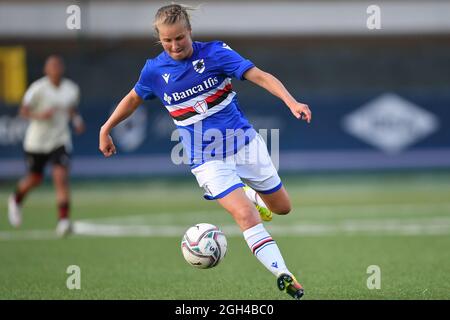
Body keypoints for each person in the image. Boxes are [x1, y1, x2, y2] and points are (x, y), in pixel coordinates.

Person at [99, 4, 311, 299]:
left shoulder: (215, 53)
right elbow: (133, 98)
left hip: (245, 145)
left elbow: (260, 75)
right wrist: (106, 127)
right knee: (246, 216)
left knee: (282, 207)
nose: (174, 45)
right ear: (159, 38)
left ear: (189, 32)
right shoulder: (154, 70)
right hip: (206, 160)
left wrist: (292, 102)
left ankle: (251, 193)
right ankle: (283, 273)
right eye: (167, 40)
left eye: (180, 38)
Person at [8, 55, 85, 237]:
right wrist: (40, 115)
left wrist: (77, 120)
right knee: (35, 178)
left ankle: (63, 220)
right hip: (37, 141)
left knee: (60, 177)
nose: (55, 69)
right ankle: (16, 199)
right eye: (51, 66)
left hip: (59, 140)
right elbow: (23, 111)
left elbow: (72, 108)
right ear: (46, 70)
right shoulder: (38, 89)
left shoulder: (71, 89)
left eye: (58, 65)